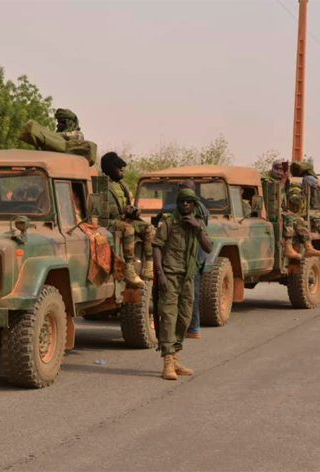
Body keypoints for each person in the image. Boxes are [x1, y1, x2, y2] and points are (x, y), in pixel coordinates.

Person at [153, 188, 213, 380]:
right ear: (177, 204)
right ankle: (167, 362)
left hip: (188, 276)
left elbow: (208, 247)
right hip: (170, 275)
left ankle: (176, 356)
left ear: (194, 204)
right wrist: (160, 273)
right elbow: (157, 246)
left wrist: (197, 227)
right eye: (182, 202)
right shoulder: (170, 222)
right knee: (169, 317)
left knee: (185, 318)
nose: (185, 204)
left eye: (189, 201)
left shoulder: (199, 223)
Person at [101, 151, 156, 288]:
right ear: (110, 169)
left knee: (149, 228)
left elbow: (127, 204)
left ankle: (149, 266)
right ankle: (129, 268)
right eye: (119, 168)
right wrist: (121, 210)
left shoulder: (122, 185)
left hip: (125, 219)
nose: (121, 171)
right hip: (111, 222)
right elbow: (100, 210)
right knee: (128, 229)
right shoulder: (102, 185)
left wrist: (134, 211)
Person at [262, 159, 320, 259]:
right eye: (277, 168)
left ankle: (308, 247)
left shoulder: (282, 181)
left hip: (278, 210)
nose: (279, 171)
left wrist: (285, 209)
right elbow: (276, 197)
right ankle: (288, 247)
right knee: (288, 219)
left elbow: (282, 200)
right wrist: (283, 180)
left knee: (299, 220)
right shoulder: (267, 180)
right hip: (268, 212)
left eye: (282, 169)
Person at [18, 108, 97, 166]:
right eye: (58, 122)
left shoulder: (77, 134)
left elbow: (64, 138)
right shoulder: (56, 136)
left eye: (62, 122)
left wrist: (47, 135)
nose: (58, 125)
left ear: (69, 123)